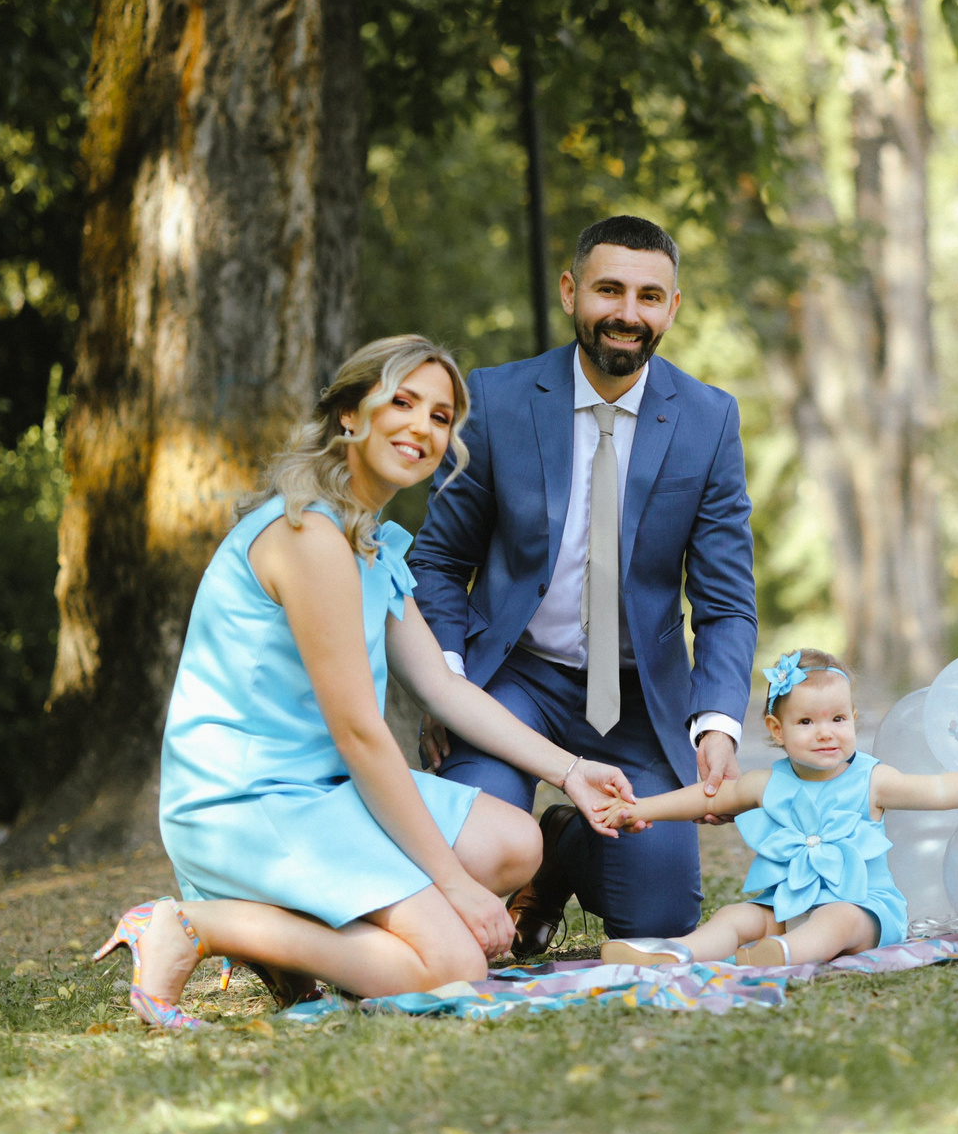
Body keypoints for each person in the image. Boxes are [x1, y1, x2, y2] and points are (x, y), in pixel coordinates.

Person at [96, 335, 638, 1030]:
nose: (422, 427)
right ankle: (198, 925)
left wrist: (571, 771)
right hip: (249, 801)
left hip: (320, 790)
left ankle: (293, 936)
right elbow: (359, 733)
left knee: (514, 843)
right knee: (454, 969)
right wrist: (453, 888)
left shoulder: (368, 542)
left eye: (440, 416)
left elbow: (442, 689)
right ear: (350, 415)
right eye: (402, 402)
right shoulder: (309, 538)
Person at [409, 215, 756, 954]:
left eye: (649, 296)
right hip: (514, 679)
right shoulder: (496, 400)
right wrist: (448, 680)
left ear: (672, 308)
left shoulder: (708, 419)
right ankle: (519, 849)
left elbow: (726, 602)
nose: (628, 313)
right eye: (609, 290)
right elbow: (438, 560)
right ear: (571, 292)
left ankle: (562, 848)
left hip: (635, 698)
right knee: (474, 848)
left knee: (659, 917)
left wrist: (718, 723)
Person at [596, 649, 958, 968]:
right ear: (777, 731)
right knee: (737, 916)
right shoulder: (767, 783)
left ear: (854, 720)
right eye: (806, 721)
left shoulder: (872, 780)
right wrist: (644, 809)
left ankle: (783, 954)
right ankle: (676, 953)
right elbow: (708, 797)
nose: (826, 732)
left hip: (864, 910)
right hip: (788, 904)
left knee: (836, 919)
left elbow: (941, 788)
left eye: (838, 719)